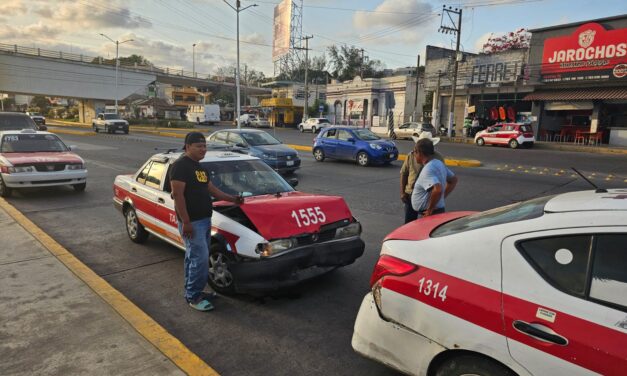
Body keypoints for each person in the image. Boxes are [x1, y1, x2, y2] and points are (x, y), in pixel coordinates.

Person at [170, 132, 243, 311]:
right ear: (187, 147)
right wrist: (186, 221)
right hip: (192, 223)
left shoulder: (200, 168)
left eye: (204, 146)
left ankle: (192, 291)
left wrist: (233, 199)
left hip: (204, 220)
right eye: (198, 146)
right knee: (200, 260)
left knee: (192, 258)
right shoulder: (180, 166)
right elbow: (178, 195)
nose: (203, 149)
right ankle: (194, 297)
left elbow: (213, 190)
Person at [400, 132, 444, 223]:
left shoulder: (438, 158)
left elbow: (441, 184)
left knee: (427, 225)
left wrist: (437, 201)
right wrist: (402, 192)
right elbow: (404, 173)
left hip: (428, 196)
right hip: (410, 193)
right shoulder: (411, 155)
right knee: (409, 223)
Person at [411, 138, 458, 218]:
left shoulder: (428, 169)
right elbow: (454, 179)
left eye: (415, 152)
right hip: (436, 210)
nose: (414, 155)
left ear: (420, 153)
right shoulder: (438, 163)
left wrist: (430, 210)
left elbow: (437, 189)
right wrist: (442, 197)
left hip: (430, 213)